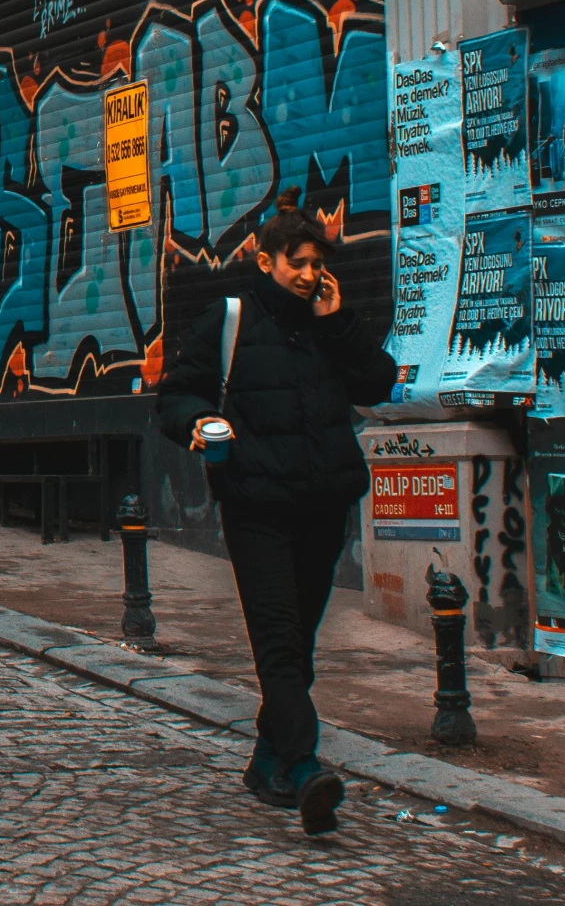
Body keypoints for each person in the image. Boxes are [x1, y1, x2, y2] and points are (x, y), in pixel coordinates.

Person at [156, 189, 393, 836]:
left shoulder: (329, 322)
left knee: (299, 646)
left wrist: (341, 319)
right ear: (266, 261)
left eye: (319, 262)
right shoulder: (229, 321)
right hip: (257, 509)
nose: (311, 273)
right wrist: (199, 422)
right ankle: (308, 764)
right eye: (299, 261)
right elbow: (173, 394)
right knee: (280, 645)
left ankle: (268, 762)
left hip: (324, 510)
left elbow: (378, 380)